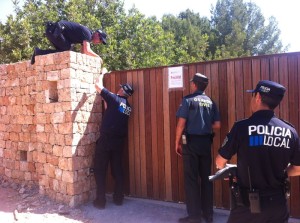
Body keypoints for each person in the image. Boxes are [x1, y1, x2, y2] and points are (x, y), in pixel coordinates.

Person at [216, 80, 300, 223]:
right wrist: (280, 172)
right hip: (277, 205)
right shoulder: (290, 131)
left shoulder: (241, 128)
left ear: (258, 97)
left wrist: (237, 172)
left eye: (253, 95)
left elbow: (220, 162)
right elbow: (298, 169)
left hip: (247, 206)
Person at [175, 73, 221, 223]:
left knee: (191, 179)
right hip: (206, 143)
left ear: (194, 84)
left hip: (191, 143)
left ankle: (194, 217)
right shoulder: (211, 102)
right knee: (206, 178)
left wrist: (177, 142)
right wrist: (205, 125)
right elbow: (217, 125)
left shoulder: (188, 100)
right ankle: (208, 215)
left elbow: (181, 124)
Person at [93, 70, 134, 209]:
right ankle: (118, 199)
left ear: (122, 90)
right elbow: (110, 108)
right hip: (118, 142)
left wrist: (102, 73)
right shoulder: (128, 107)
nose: (119, 88)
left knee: (100, 169)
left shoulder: (115, 99)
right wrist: (106, 99)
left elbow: (97, 85)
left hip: (106, 140)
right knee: (117, 169)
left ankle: (100, 201)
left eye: (121, 87)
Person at [31, 20, 107, 64]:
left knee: (63, 52)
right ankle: (38, 52)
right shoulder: (87, 33)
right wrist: (98, 57)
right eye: (100, 40)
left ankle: (39, 52)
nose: (99, 42)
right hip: (54, 31)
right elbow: (87, 50)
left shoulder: (87, 36)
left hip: (52, 31)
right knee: (67, 48)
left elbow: (83, 53)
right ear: (97, 34)